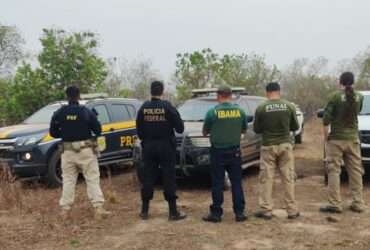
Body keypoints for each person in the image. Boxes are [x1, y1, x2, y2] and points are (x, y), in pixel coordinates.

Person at [50, 85, 111, 220]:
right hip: (86, 151)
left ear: (67, 96)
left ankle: (65, 212)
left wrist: (65, 132)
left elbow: (53, 133)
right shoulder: (86, 111)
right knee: (92, 179)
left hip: (67, 152)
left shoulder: (59, 113)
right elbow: (98, 130)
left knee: (68, 181)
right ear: (79, 96)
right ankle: (98, 209)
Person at [136, 81, 186, 221]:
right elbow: (180, 128)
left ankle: (144, 211)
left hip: (149, 147)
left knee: (148, 177)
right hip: (166, 147)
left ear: (150, 91)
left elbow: (139, 130)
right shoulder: (167, 107)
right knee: (168, 177)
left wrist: (146, 140)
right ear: (162, 91)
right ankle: (173, 212)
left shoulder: (144, 107)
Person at [253, 82, 300, 220]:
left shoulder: (261, 107)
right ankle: (291, 210)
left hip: (268, 146)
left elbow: (256, 129)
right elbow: (295, 126)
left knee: (266, 179)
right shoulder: (289, 106)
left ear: (267, 92)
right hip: (285, 145)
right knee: (288, 177)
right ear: (279, 91)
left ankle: (266, 209)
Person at [320, 72, 365, 214]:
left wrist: (326, 135)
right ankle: (358, 203)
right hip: (353, 139)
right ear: (353, 82)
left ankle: (335, 204)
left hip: (337, 139)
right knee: (356, 171)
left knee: (334, 171)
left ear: (340, 82)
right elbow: (357, 112)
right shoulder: (360, 97)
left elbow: (326, 120)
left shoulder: (335, 97)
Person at [202, 85, 247, 223]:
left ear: (218, 96)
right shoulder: (240, 111)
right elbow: (243, 130)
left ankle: (216, 214)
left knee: (217, 183)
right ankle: (239, 213)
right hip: (235, 152)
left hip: (218, 152)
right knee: (236, 183)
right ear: (231, 95)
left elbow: (205, 132)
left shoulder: (212, 112)